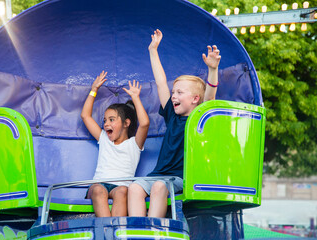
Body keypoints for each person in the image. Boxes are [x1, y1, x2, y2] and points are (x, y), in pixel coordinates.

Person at [128, 29, 221, 218]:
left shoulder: (199, 119)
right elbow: (161, 83)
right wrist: (153, 50)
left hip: (180, 178)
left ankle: (154, 231)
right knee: (135, 187)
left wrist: (213, 70)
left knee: (160, 187)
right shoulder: (172, 115)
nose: (173, 95)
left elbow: (210, 98)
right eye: (174, 92)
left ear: (195, 99)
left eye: (179, 92)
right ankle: (138, 231)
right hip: (159, 173)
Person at [81, 71, 150, 217]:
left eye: (112, 120)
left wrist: (136, 98)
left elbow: (144, 123)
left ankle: (116, 230)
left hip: (120, 187)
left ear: (126, 123)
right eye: (105, 120)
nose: (106, 124)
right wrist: (94, 90)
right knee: (99, 190)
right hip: (99, 185)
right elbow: (85, 116)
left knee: (123, 191)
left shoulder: (134, 144)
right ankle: (107, 230)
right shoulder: (104, 138)